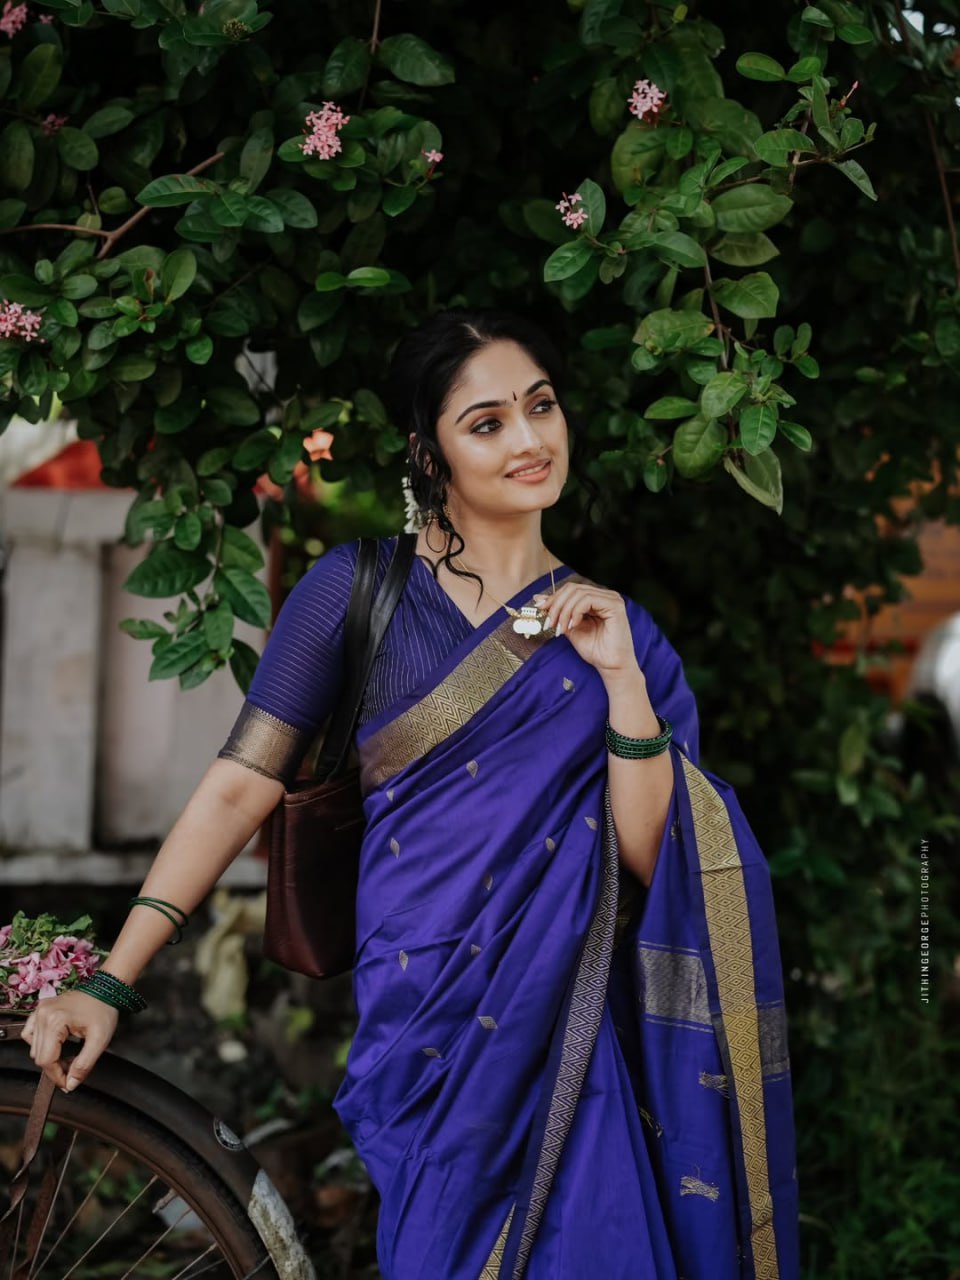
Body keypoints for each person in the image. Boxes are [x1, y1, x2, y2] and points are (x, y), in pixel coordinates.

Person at [20, 306, 800, 1279]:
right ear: (430, 454)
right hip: (425, 1017)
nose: (529, 439)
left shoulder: (618, 631)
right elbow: (236, 790)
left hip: (572, 1023)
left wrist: (622, 682)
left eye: (541, 406)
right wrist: (110, 979)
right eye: (487, 422)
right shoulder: (356, 590)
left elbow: (657, 858)